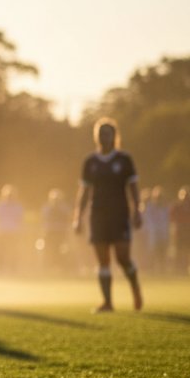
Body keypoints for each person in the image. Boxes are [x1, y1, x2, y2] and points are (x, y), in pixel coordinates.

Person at [72, 118, 143, 312]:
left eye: (108, 133)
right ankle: (107, 302)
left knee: (122, 257)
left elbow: (133, 187)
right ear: (96, 136)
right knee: (103, 260)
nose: (104, 137)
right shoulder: (90, 162)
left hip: (119, 215)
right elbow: (84, 192)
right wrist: (78, 217)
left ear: (114, 136)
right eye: (101, 133)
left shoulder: (124, 160)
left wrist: (137, 210)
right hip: (98, 216)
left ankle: (135, 288)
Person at [169, 186, 190, 275]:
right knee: (180, 250)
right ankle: (180, 268)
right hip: (180, 232)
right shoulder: (176, 205)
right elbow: (172, 217)